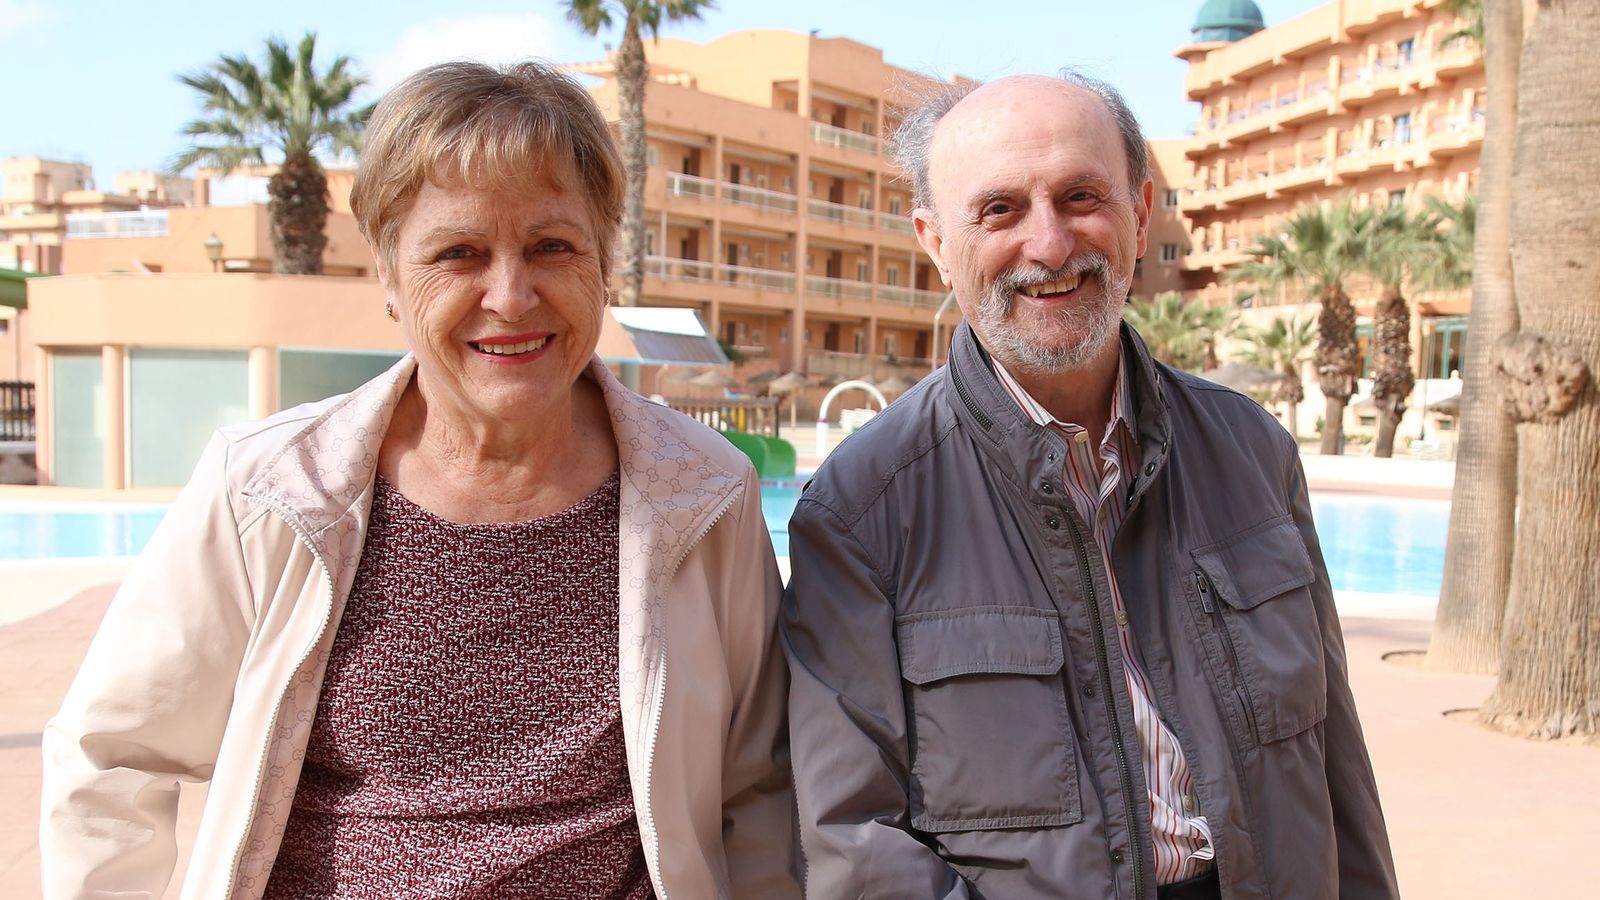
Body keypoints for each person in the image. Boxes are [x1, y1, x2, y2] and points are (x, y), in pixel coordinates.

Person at [41, 60, 797, 899]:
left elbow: (756, 789)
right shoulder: (270, 490)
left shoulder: (702, 494)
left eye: (552, 246)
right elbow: (111, 757)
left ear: (604, 259)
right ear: (390, 275)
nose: (510, 296)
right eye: (459, 253)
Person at [781, 73, 1398, 900]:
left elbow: (1335, 766)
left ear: (1141, 214)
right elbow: (853, 845)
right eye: (999, 209)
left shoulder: (1254, 452)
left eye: (1081, 196)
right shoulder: (862, 513)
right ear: (933, 241)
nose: (1050, 244)